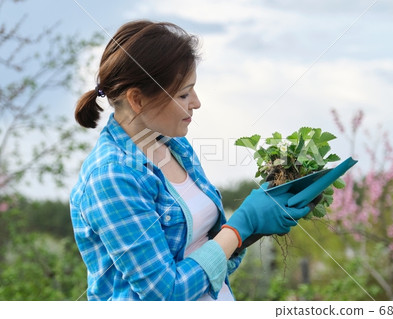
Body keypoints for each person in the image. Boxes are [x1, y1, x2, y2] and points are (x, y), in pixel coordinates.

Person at [70, 20, 313, 301]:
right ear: (137, 99)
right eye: (184, 93)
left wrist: (254, 227)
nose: (196, 102)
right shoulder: (111, 177)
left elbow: (207, 252)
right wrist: (240, 226)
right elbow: (166, 293)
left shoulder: (175, 145)